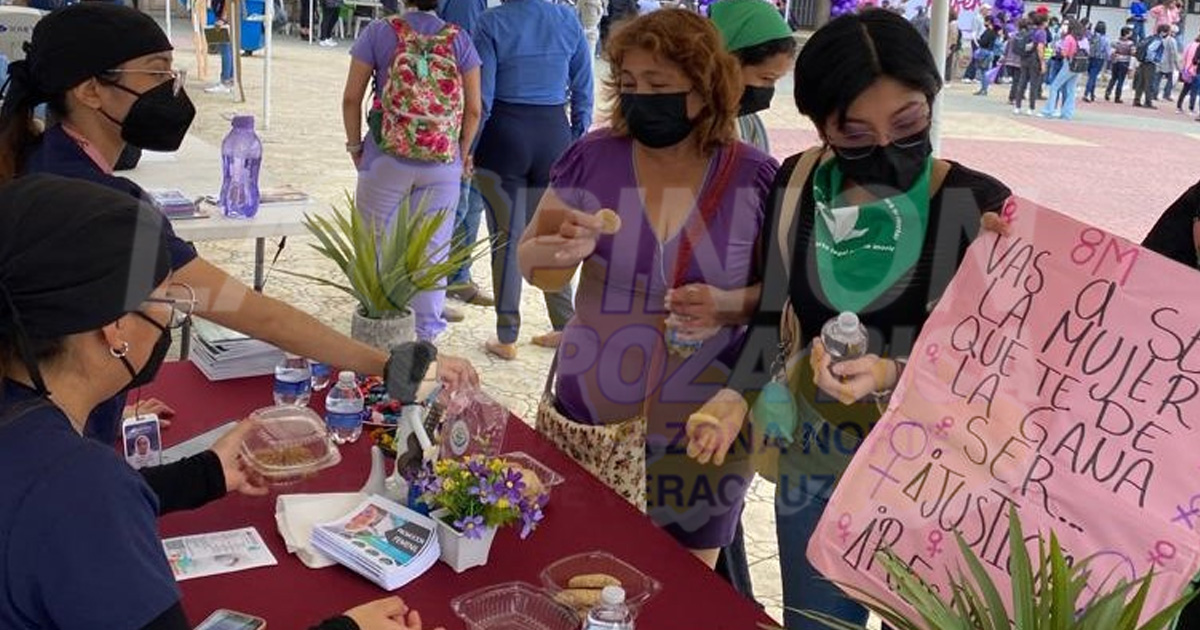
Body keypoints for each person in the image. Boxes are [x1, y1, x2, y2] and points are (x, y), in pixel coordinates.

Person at [0, 3, 478, 447]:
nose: (173, 88)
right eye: (157, 73)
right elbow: (245, 310)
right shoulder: (103, 206)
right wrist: (390, 365)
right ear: (89, 89)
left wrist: (107, 397)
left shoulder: (36, 162)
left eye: (173, 71)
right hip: (64, 448)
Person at [0, 175, 445, 630]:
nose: (169, 316)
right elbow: (76, 508)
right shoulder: (77, 486)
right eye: (166, 299)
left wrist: (205, 473)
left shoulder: (39, 444)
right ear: (115, 328)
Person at [712, 11, 1011, 629]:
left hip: (933, 473)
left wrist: (893, 370)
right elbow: (771, 314)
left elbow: (998, 373)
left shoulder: (976, 206)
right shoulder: (796, 184)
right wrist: (733, 397)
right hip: (816, 454)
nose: (884, 147)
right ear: (821, 125)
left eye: (907, 123)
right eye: (853, 133)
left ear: (931, 101)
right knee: (817, 623)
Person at [517, 9, 777, 570]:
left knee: (683, 587)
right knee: (577, 570)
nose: (641, 99)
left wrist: (730, 304)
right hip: (592, 413)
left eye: (659, 85)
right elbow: (531, 261)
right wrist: (560, 253)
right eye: (630, 84)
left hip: (705, 429)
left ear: (706, 88)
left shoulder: (755, 176)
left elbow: (784, 302)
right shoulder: (593, 156)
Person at [708, 0, 795, 599]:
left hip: (731, 350)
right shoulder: (680, 132)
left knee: (714, 502)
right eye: (762, 80)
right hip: (669, 353)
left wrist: (735, 303)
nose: (765, 94)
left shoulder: (753, 134)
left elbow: (774, 266)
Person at [342, 0, 483, 341]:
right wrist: (460, 155)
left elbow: (350, 98)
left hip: (385, 158)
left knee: (374, 248)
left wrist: (355, 148)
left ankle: (376, 333)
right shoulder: (459, 39)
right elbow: (475, 110)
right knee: (431, 255)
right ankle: (424, 340)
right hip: (441, 162)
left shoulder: (378, 32)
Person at [473, 0, 593, 360]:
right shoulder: (567, 20)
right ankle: (564, 324)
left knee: (506, 238)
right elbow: (584, 86)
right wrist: (575, 138)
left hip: (503, 134)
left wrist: (470, 145)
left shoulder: (490, 22)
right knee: (552, 233)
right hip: (553, 132)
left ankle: (507, 336)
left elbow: (484, 96)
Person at [437, 0, 494, 312]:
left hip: (475, 116)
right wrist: (467, 142)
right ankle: (437, 284)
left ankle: (458, 277)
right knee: (458, 204)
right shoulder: (467, 3)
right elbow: (466, 66)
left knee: (470, 203)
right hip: (464, 118)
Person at [1040, 18, 1084, 119]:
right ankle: (1067, 113)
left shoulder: (1068, 38)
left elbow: (1064, 53)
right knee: (1071, 89)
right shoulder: (1079, 38)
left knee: (1054, 86)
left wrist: (1058, 51)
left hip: (1068, 64)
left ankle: (1048, 110)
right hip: (1078, 65)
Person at [1013, 10, 1049, 115]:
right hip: (1035, 60)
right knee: (1034, 84)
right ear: (1043, 22)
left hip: (1024, 58)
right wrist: (1042, 62)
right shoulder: (1042, 32)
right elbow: (1040, 47)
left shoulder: (1030, 30)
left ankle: (1017, 106)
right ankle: (1031, 108)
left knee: (1022, 82)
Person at [1134, 24, 1171, 108]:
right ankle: (1148, 102)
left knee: (1141, 82)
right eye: (1167, 32)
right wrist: (1153, 59)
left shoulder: (1151, 37)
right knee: (1149, 83)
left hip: (1142, 62)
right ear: (1163, 32)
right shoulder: (1158, 40)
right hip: (1150, 64)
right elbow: (1151, 49)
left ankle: (1137, 100)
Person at [204, 0, 236, 94]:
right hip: (227, 13)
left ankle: (225, 81)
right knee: (229, 48)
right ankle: (229, 79)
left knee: (225, 47)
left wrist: (223, 18)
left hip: (226, 15)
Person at [1107, 25, 1135, 102]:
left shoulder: (1116, 42)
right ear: (1127, 33)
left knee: (1113, 78)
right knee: (1121, 80)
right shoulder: (1130, 43)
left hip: (1116, 61)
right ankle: (1117, 97)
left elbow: (1112, 52)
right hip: (1125, 62)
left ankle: (1108, 92)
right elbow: (1133, 53)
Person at [972, 20, 1002, 96]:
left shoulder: (989, 33)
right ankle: (984, 88)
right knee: (985, 71)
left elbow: (983, 42)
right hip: (990, 52)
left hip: (985, 52)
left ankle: (983, 89)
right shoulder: (995, 35)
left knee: (983, 72)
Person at [1082, 20, 1109, 102]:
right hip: (1099, 58)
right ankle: (1087, 93)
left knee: (1091, 76)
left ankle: (1092, 93)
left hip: (1090, 57)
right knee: (1093, 77)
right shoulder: (1105, 38)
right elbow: (1107, 50)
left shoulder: (1091, 36)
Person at [1177, 32, 1200, 113]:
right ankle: (1191, 108)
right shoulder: (1198, 46)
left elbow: (1184, 57)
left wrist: (1183, 68)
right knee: (1194, 90)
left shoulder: (1189, 45)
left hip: (1187, 70)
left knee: (1185, 89)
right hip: (1196, 70)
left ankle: (1179, 106)